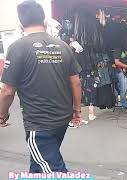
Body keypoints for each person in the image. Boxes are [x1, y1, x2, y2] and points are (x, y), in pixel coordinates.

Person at [0, 1, 82, 173]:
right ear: (44, 22)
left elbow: (8, 91)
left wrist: (1, 114)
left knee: (54, 170)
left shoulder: (18, 48)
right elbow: (75, 82)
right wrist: (77, 111)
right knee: (39, 163)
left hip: (40, 124)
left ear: (21, 24)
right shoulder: (63, 46)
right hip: (62, 119)